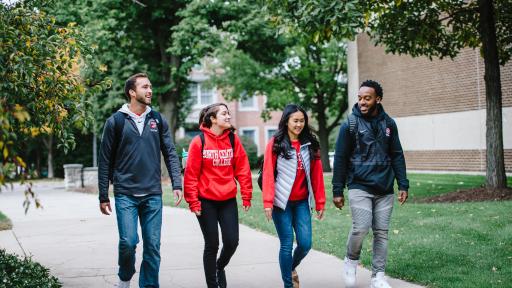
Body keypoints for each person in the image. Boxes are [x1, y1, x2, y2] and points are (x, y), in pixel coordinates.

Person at [98, 73, 183, 288]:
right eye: (145, 87)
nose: (150, 90)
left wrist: (176, 183)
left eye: (151, 86)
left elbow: (170, 153)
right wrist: (103, 194)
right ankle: (125, 277)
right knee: (128, 242)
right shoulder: (116, 121)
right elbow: (105, 159)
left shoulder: (157, 119)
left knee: (153, 246)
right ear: (132, 92)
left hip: (153, 193)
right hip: (126, 193)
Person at [332, 80, 409, 288]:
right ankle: (350, 261)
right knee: (361, 228)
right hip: (359, 185)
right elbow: (340, 158)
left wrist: (403, 184)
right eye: (360, 98)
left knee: (381, 232)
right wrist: (337, 190)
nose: (362, 102)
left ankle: (378, 277)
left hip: (385, 188)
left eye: (367, 98)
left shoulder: (389, 124)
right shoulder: (350, 124)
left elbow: (397, 155)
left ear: (378, 99)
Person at [183, 103, 252, 288]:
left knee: (232, 242)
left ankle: (219, 267)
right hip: (206, 201)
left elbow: (243, 169)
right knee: (212, 244)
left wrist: (246, 194)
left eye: (228, 113)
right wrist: (193, 202)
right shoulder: (199, 141)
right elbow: (191, 174)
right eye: (224, 114)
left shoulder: (232, 140)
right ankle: (213, 285)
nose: (228, 116)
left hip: (227, 199)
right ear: (213, 119)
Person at [261, 104, 326, 288]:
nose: (299, 124)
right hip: (281, 203)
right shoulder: (276, 143)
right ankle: (289, 285)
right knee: (287, 244)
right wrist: (267, 202)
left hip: (301, 203)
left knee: (305, 244)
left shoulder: (310, 144)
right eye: (295, 121)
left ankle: (290, 267)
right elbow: (267, 174)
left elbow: (317, 176)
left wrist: (320, 202)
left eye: (302, 121)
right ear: (286, 121)